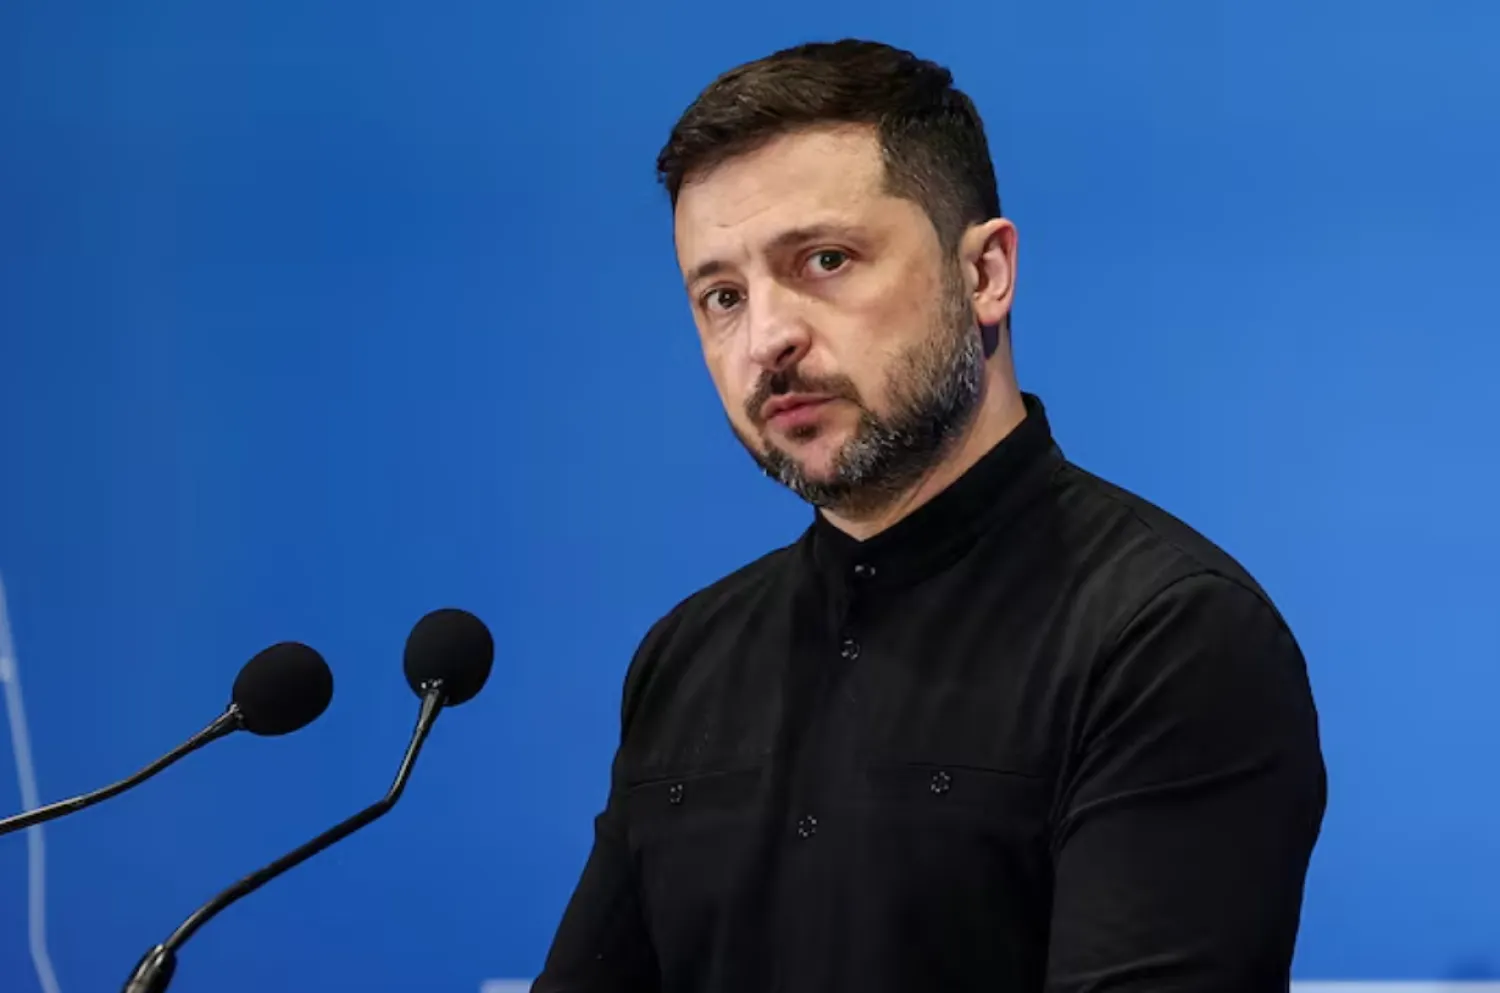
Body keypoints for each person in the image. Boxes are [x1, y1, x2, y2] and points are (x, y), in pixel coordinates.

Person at [534, 39, 1326, 993]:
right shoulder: (688, 656)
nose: (767, 338)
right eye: (722, 296)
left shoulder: (1167, 635)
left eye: (825, 260)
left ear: (986, 273)